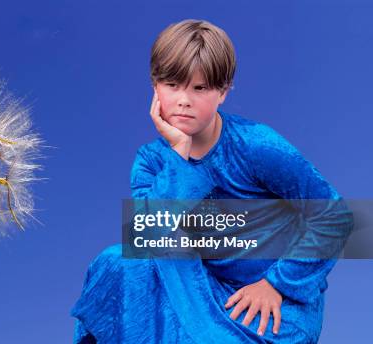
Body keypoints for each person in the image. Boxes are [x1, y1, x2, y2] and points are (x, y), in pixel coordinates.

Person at [70, 19, 352, 343]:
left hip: (269, 303)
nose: (183, 100)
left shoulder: (255, 145)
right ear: (154, 87)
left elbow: (334, 216)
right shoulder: (151, 161)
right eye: (172, 85)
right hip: (200, 289)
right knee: (117, 263)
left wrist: (277, 284)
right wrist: (178, 155)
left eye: (199, 88)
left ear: (223, 91)